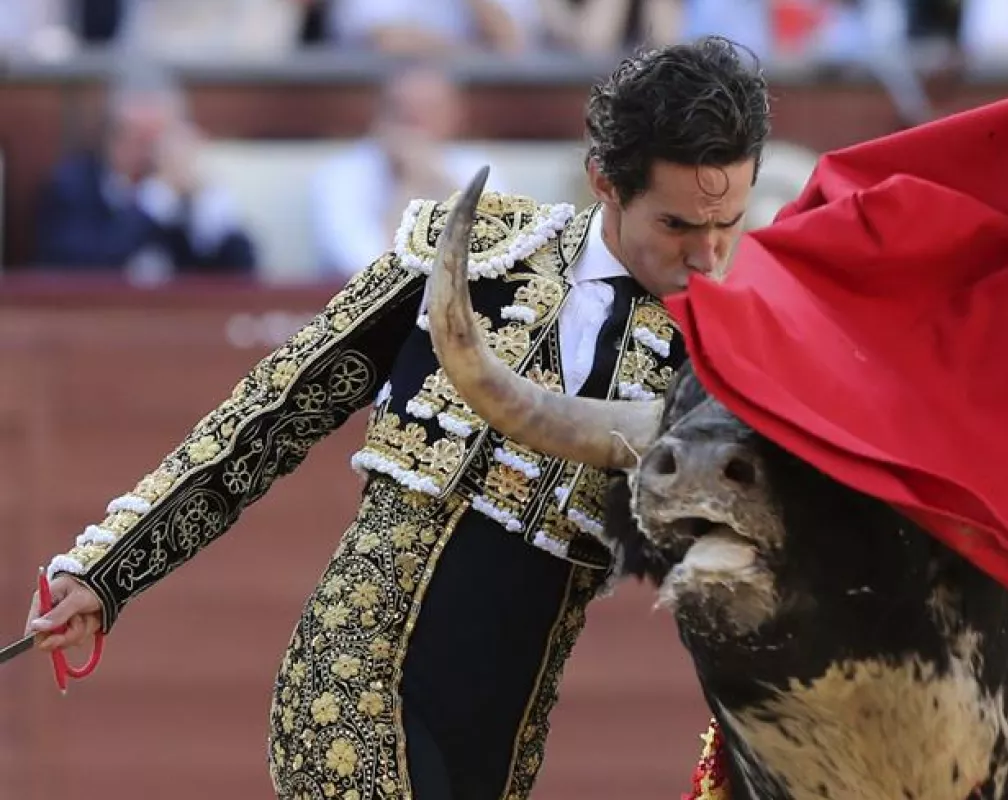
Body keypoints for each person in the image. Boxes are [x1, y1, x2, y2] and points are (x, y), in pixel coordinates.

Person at [25, 35, 771, 800]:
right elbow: (274, 413)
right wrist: (110, 569)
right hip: (353, 683)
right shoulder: (475, 255)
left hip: (500, 736)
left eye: (729, 225)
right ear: (604, 182)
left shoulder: (714, 361)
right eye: (678, 227)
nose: (708, 258)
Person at [31, 65, 258, 281]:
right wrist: (155, 198)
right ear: (111, 138)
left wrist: (208, 206)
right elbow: (79, 273)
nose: (151, 154)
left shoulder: (188, 194)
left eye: (160, 139)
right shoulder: (71, 187)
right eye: (138, 139)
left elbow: (243, 278)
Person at [309, 61, 503, 279]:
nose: (414, 120)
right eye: (401, 110)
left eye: (430, 109)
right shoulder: (340, 175)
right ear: (380, 114)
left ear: (456, 115)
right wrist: (411, 184)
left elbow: (493, 258)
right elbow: (369, 272)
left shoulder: (476, 168)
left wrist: (439, 179)